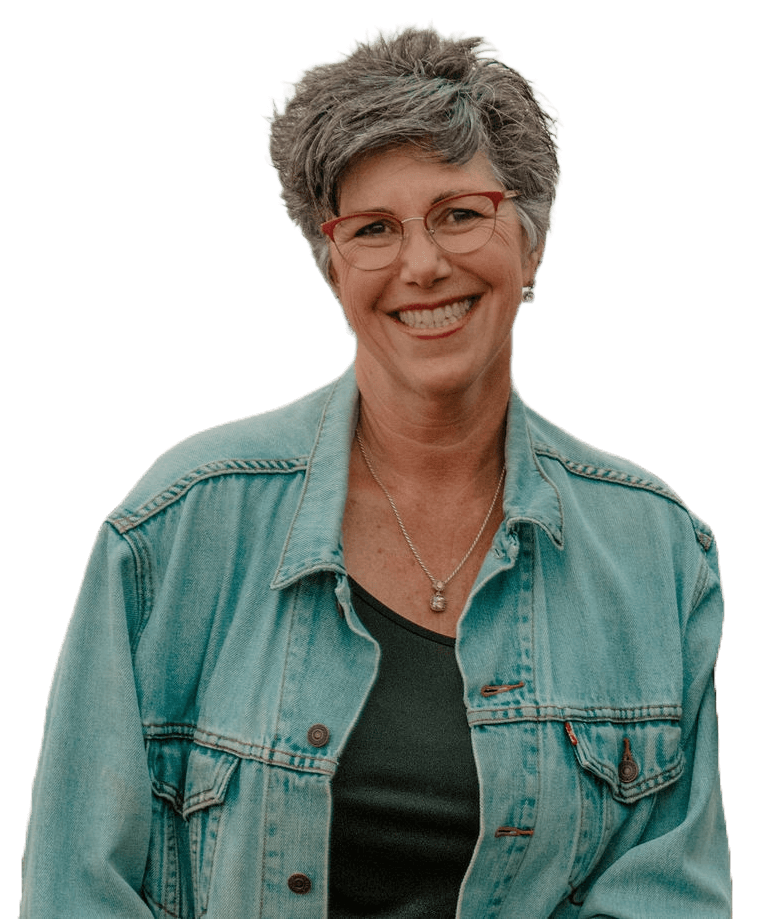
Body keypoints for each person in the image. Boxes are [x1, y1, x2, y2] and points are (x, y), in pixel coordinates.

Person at [21, 23, 730, 918]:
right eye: (374, 229)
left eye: (458, 214)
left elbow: (669, 892)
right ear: (332, 265)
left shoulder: (655, 551)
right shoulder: (179, 524)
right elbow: (77, 889)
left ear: (532, 242)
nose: (422, 264)